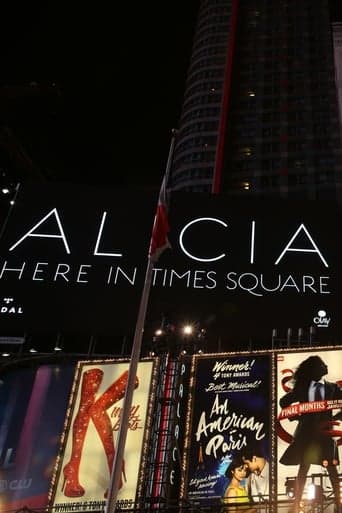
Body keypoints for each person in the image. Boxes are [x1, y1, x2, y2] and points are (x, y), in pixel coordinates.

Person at [279, 355, 342, 511]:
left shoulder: (332, 388)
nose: (325, 367)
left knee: (331, 468)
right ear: (313, 370)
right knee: (303, 468)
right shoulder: (302, 388)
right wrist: (296, 416)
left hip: (325, 434)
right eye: (321, 365)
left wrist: (335, 417)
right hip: (306, 435)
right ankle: (297, 502)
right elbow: (283, 402)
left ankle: (339, 501)